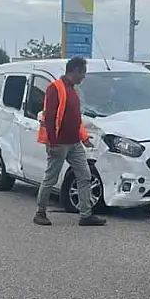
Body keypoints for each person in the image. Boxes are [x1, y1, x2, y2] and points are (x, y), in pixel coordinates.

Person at [34, 56, 106, 227]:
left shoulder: (72, 90)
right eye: (83, 73)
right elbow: (49, 117)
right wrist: (52, 142)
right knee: (50, 178)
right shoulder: (55, 88)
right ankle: (40, 212)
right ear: (75, 70)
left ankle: (86, 214)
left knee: (85, 176)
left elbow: (76, 119)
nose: (84, 77)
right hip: (59, 143)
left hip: (74, 143)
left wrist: (84, 138)